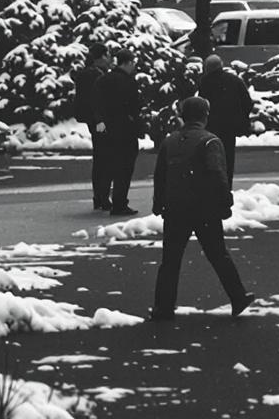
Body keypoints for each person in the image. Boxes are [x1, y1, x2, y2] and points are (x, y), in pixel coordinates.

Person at [151, 95, 255, 320]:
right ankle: (237, 297)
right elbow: (217, 174)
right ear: (205, 116)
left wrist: (158, 203)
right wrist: (225, 202)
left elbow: (160, 176)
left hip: (175, 207)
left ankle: (163, 307)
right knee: (218, 254)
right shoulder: (210, 141)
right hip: (203, 208)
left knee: (170, 260)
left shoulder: (170, 141)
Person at [78, 43, 144, 216]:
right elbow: (134, 106)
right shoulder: (128, 82)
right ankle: (119, 202)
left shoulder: (103, 79)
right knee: (124, 168)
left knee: (106, 163)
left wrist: (100, 120)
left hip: (107, 130)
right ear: (128, 63)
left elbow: (95, 101)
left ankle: (101, 197)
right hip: (125, 130)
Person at [198, 52, 254, 157]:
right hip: (231, 125)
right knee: (228, 155)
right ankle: (227, 173)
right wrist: (241, 118)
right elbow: (248, 103)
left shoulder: (205, 82)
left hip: (212, 126)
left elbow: (202, 104)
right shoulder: (235, 80)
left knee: (213, 155)